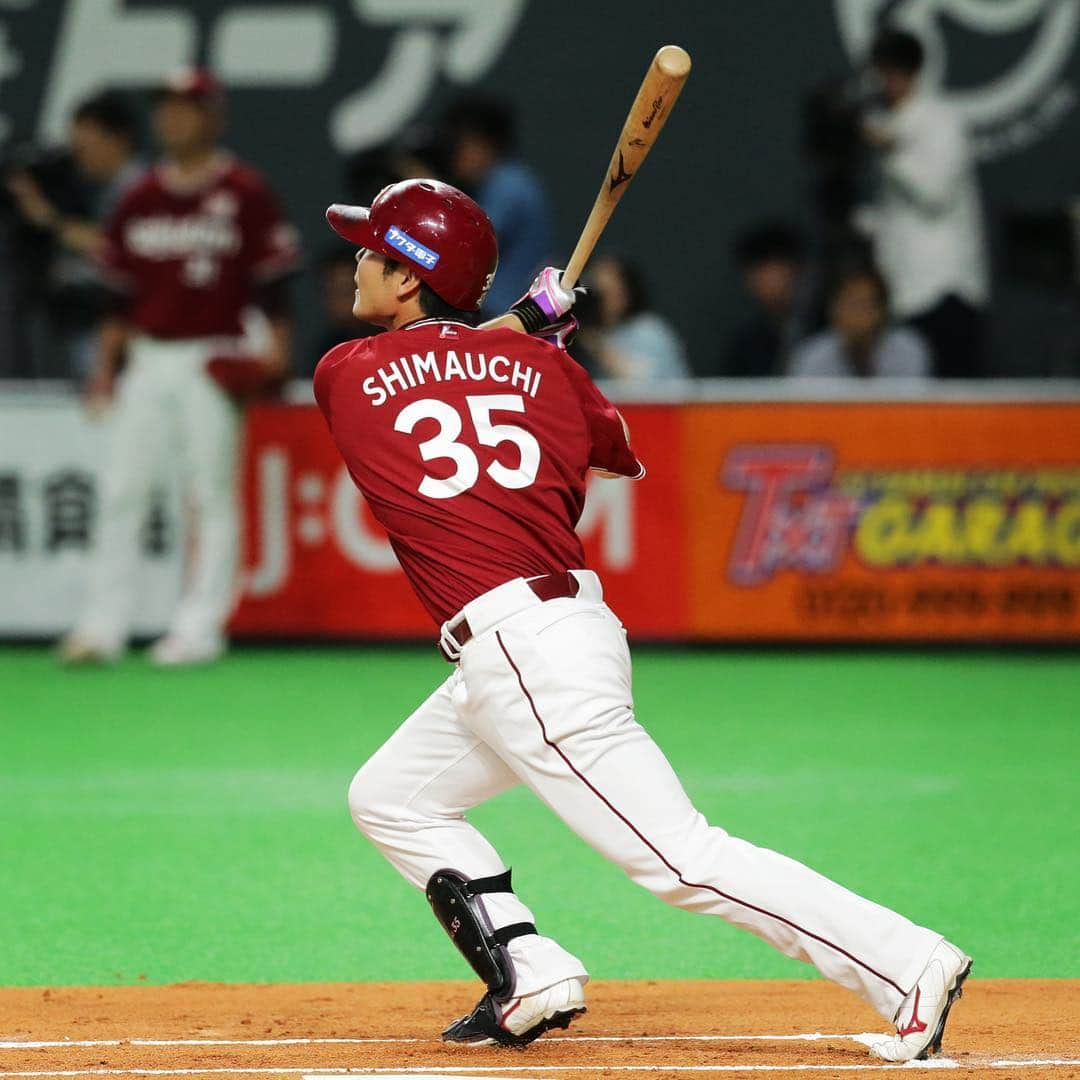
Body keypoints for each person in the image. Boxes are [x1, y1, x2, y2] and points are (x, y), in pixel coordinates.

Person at [314, 178, 972, 1063]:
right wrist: (535, 347)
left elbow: (432, 369)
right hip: (560, 636)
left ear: (408, 279)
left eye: (370, 253)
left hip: (523, 657)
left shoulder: (344, 373)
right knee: (393, 797)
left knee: (684, 860)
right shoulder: (548, 368)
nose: (354, 263)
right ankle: (527, 968)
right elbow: (616, 458)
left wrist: (518, 328)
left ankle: (906, 965)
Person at [58, 68, 299, 666]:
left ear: (212, 117)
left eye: (185, 107)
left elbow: (274, 287)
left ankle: (199, 627)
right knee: (121, 491)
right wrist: (105, 370)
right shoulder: (139, 198)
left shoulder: (244, 191)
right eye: (165, 108)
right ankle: (101, 627)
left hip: (212, 356)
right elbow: (118, 298)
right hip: (149, 355)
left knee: (208, 495)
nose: (172, 118)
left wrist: (275, 352)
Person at [863, 29, 988, 378]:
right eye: (882, 72)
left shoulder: (942, 120)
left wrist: (890, 149)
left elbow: (936, 193)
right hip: (901, 292)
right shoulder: (885, 123)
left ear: (911, 71)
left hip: (944, 290)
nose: (887, 81)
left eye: (893, 71)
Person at [5, 91, 145, 378]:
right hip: (88, 322)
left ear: (117, 139)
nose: (76, 154)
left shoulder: (140, 188)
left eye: (84, 146)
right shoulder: (95, 190)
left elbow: (117, 248)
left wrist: (47, 218)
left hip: (124, 326)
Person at [442, 96, 553, 315]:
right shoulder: (503, 182)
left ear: (482, 144)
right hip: (506, 313)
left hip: (504, 314)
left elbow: (470, 245)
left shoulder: (509, 184)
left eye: (459, 145)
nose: (453, 156)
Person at [790, 264, 929, 377]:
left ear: (882, 311)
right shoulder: (812, 357)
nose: (856, 315)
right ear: (833, 309)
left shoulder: (908, 351)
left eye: (864, 304)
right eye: (850, 304)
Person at [579, 254, 690, 381]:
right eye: (598, 294)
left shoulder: (649, 330)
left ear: (628, 292)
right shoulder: (580, 334)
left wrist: (598, 347)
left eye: (610, 293)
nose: (602, 302)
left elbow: (647, 384)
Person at [722, 222, 809, 376]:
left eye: (772, 269)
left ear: (797, 270)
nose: (765, 281)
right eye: (756, 272)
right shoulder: (744, 345)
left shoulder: (820, 329)